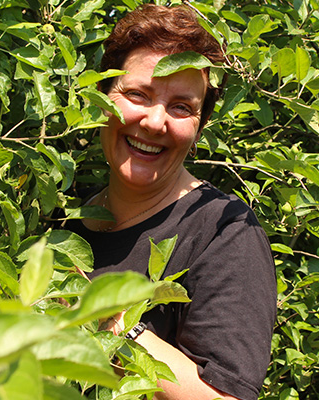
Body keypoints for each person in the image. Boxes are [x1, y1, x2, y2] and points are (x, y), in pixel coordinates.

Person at [69, 4, 276, 400]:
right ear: (102, 98)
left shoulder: (224, 231)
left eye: (181, 106)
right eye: (136, 94)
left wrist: (113, 323)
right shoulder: (62, 216)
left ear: (199, 126)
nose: (154, 122)